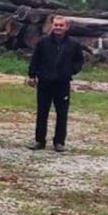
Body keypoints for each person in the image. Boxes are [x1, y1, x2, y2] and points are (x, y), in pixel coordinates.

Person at [28, 15, 84, 152]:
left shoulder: (73, 44)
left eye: (61, 25)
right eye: (56, 25)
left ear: (66, 27)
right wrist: (32, 75)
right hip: (45, 82)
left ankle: (59, 142)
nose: (58, 28)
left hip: (62, 83)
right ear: (52, 26)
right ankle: (39, 141)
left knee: (62, 113)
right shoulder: (43, 42)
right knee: (42, 112)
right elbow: (35, 59)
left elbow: (79, 61)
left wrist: (70, 71)